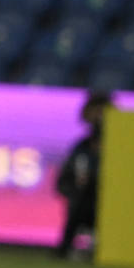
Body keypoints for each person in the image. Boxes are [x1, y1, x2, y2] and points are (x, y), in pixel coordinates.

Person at [54, 91, 111, 259]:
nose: (99, 117)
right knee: (78, 203)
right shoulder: (81, 147)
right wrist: (73, 190)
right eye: (95, 111)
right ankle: (66, 248)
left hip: (110, 202)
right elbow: (64, 179)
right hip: (83, 201)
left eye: (102, 112)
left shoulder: (119, 146)